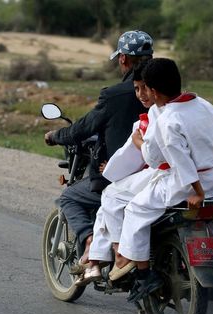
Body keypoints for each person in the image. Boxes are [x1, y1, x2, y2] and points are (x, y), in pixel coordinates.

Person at [87, 58, 213, 299]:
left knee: (136, 210)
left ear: (154, 91)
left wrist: (196, 191)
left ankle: (143, 274)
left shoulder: (167, 120)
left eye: (145, 88)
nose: (143, 93)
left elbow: (170, 160)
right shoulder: (202, 104)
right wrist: (206, 151)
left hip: (183, 184)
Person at [44, 30, 154, 277]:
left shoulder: (116, 95)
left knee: (69, 197)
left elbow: (84, 127)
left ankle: (92, 244)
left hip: (125, 176)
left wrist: (55, 136)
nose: (141, 94)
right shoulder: (166, 92)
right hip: (168, 174)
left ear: (123, 59)